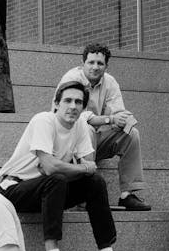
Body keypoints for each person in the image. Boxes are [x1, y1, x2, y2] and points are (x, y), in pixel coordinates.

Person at [0, 80, 130, 251]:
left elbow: (91, 169)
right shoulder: (43, 120)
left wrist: (81, 168)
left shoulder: (80, 127)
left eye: (78, 102)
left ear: (83, 107)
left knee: (95, 183)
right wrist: (80, 168)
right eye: (67, 100)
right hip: (13, 189)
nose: (72, 106)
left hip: (47, 191)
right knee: (57, 178)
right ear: (56, 104)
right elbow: (51, 167)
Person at [57, 42, 150, 210]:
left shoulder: (110, 82)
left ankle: (127, 195)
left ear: (106, 66)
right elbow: (79, 118)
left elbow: (118, 113)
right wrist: (110, 119)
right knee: (86, 128)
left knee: (132, 133)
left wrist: (124, 120)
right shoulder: (71, 80)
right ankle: (84, 191)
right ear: (82, 63)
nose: (95, 67)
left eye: (100, 63)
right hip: (68, 145)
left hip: (95, 142)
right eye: (91, 62)